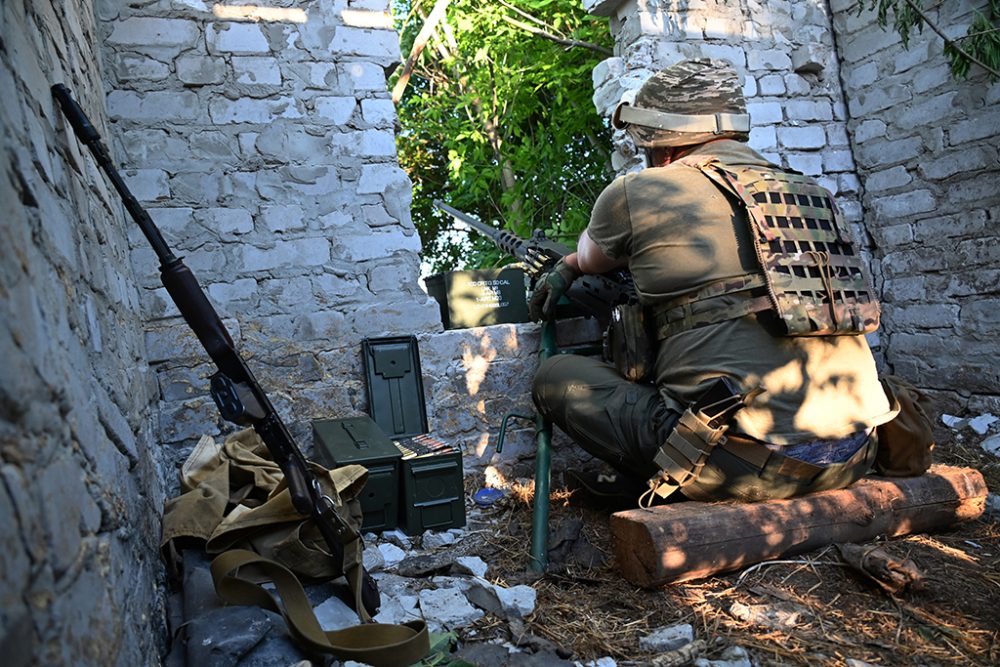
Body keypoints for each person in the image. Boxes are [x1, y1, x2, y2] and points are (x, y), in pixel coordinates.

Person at [529, 59, 898, 504]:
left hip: (746, 467)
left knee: (555, 377)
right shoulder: (810, 193)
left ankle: (650, 483)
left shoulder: (637, 190)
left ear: (662, 143)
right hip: (857, 453)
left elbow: (591, 255)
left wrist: (568, 263)